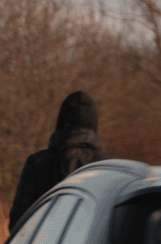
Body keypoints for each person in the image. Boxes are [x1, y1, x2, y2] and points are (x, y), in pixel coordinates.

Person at [8, 91, 105, 230]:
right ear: (94, 124)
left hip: (44, 242)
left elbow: (17, 223)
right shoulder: (107, 167)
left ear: (60, 122)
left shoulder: (37, 163)